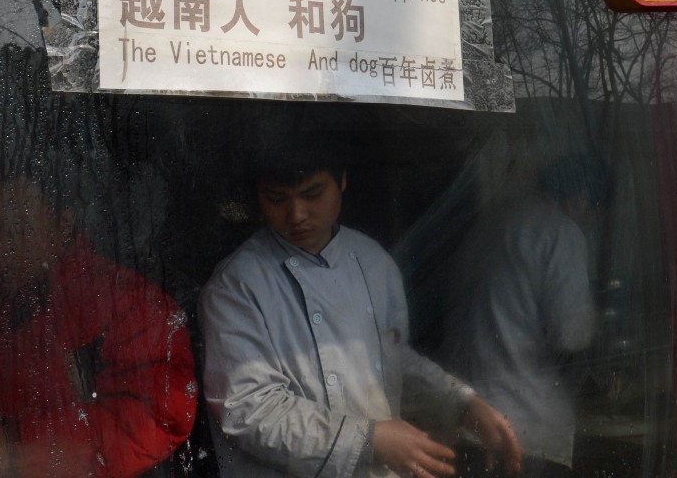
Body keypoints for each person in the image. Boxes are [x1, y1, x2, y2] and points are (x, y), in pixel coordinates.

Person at [199, 143, 521, 478]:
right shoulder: (236, 284)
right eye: (276, 199)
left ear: (342, 181)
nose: (296, 214)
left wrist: (459, 403)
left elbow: (392, 358)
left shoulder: (373, 261)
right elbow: (248, 409)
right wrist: (369, 440)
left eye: (312, 193)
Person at [0, 171, 197, 478]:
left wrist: (16, 447)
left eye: (15, 230)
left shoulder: (129, 304)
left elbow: (159, 417)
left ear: (63, 224)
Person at [442, 153, 610, 478]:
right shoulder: (560, 232)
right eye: (596, 215)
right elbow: (570, 334)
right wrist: (599, 325)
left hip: (472, 418)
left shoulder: (489, 222)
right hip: (526, 427)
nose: (592, 226)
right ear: (584, 198)